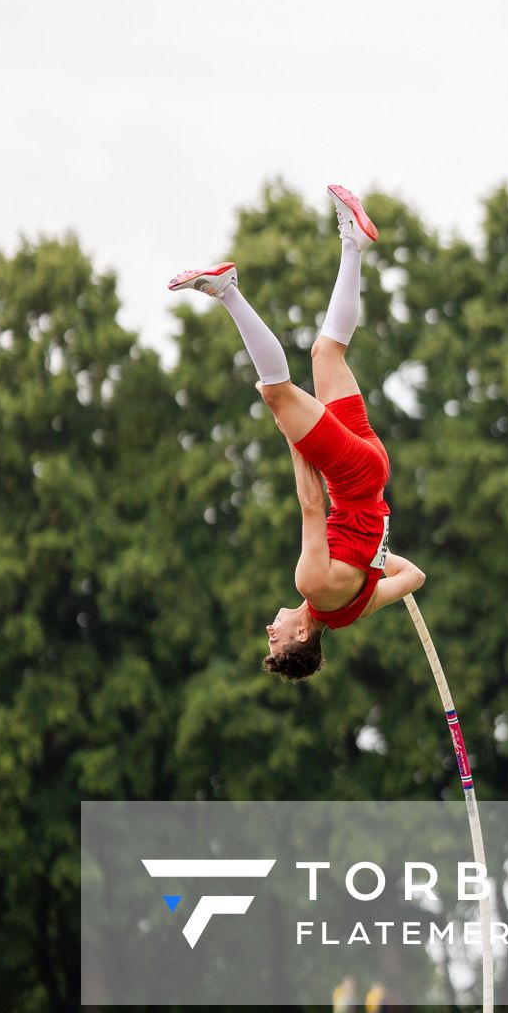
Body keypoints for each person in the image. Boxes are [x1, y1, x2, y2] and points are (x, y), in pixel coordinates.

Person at [169, 186, 426, 679]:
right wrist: (292, 434)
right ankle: (226, 290)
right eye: (280, 640)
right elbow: (311, 504)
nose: (271, 631)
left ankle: (353, 240)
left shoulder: (353, 611)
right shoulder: (310, 583)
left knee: (326, 354)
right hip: (350, 478)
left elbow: (414, 576)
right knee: (276, 394)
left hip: (372, 471)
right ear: (303, 636)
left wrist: (377, 553)